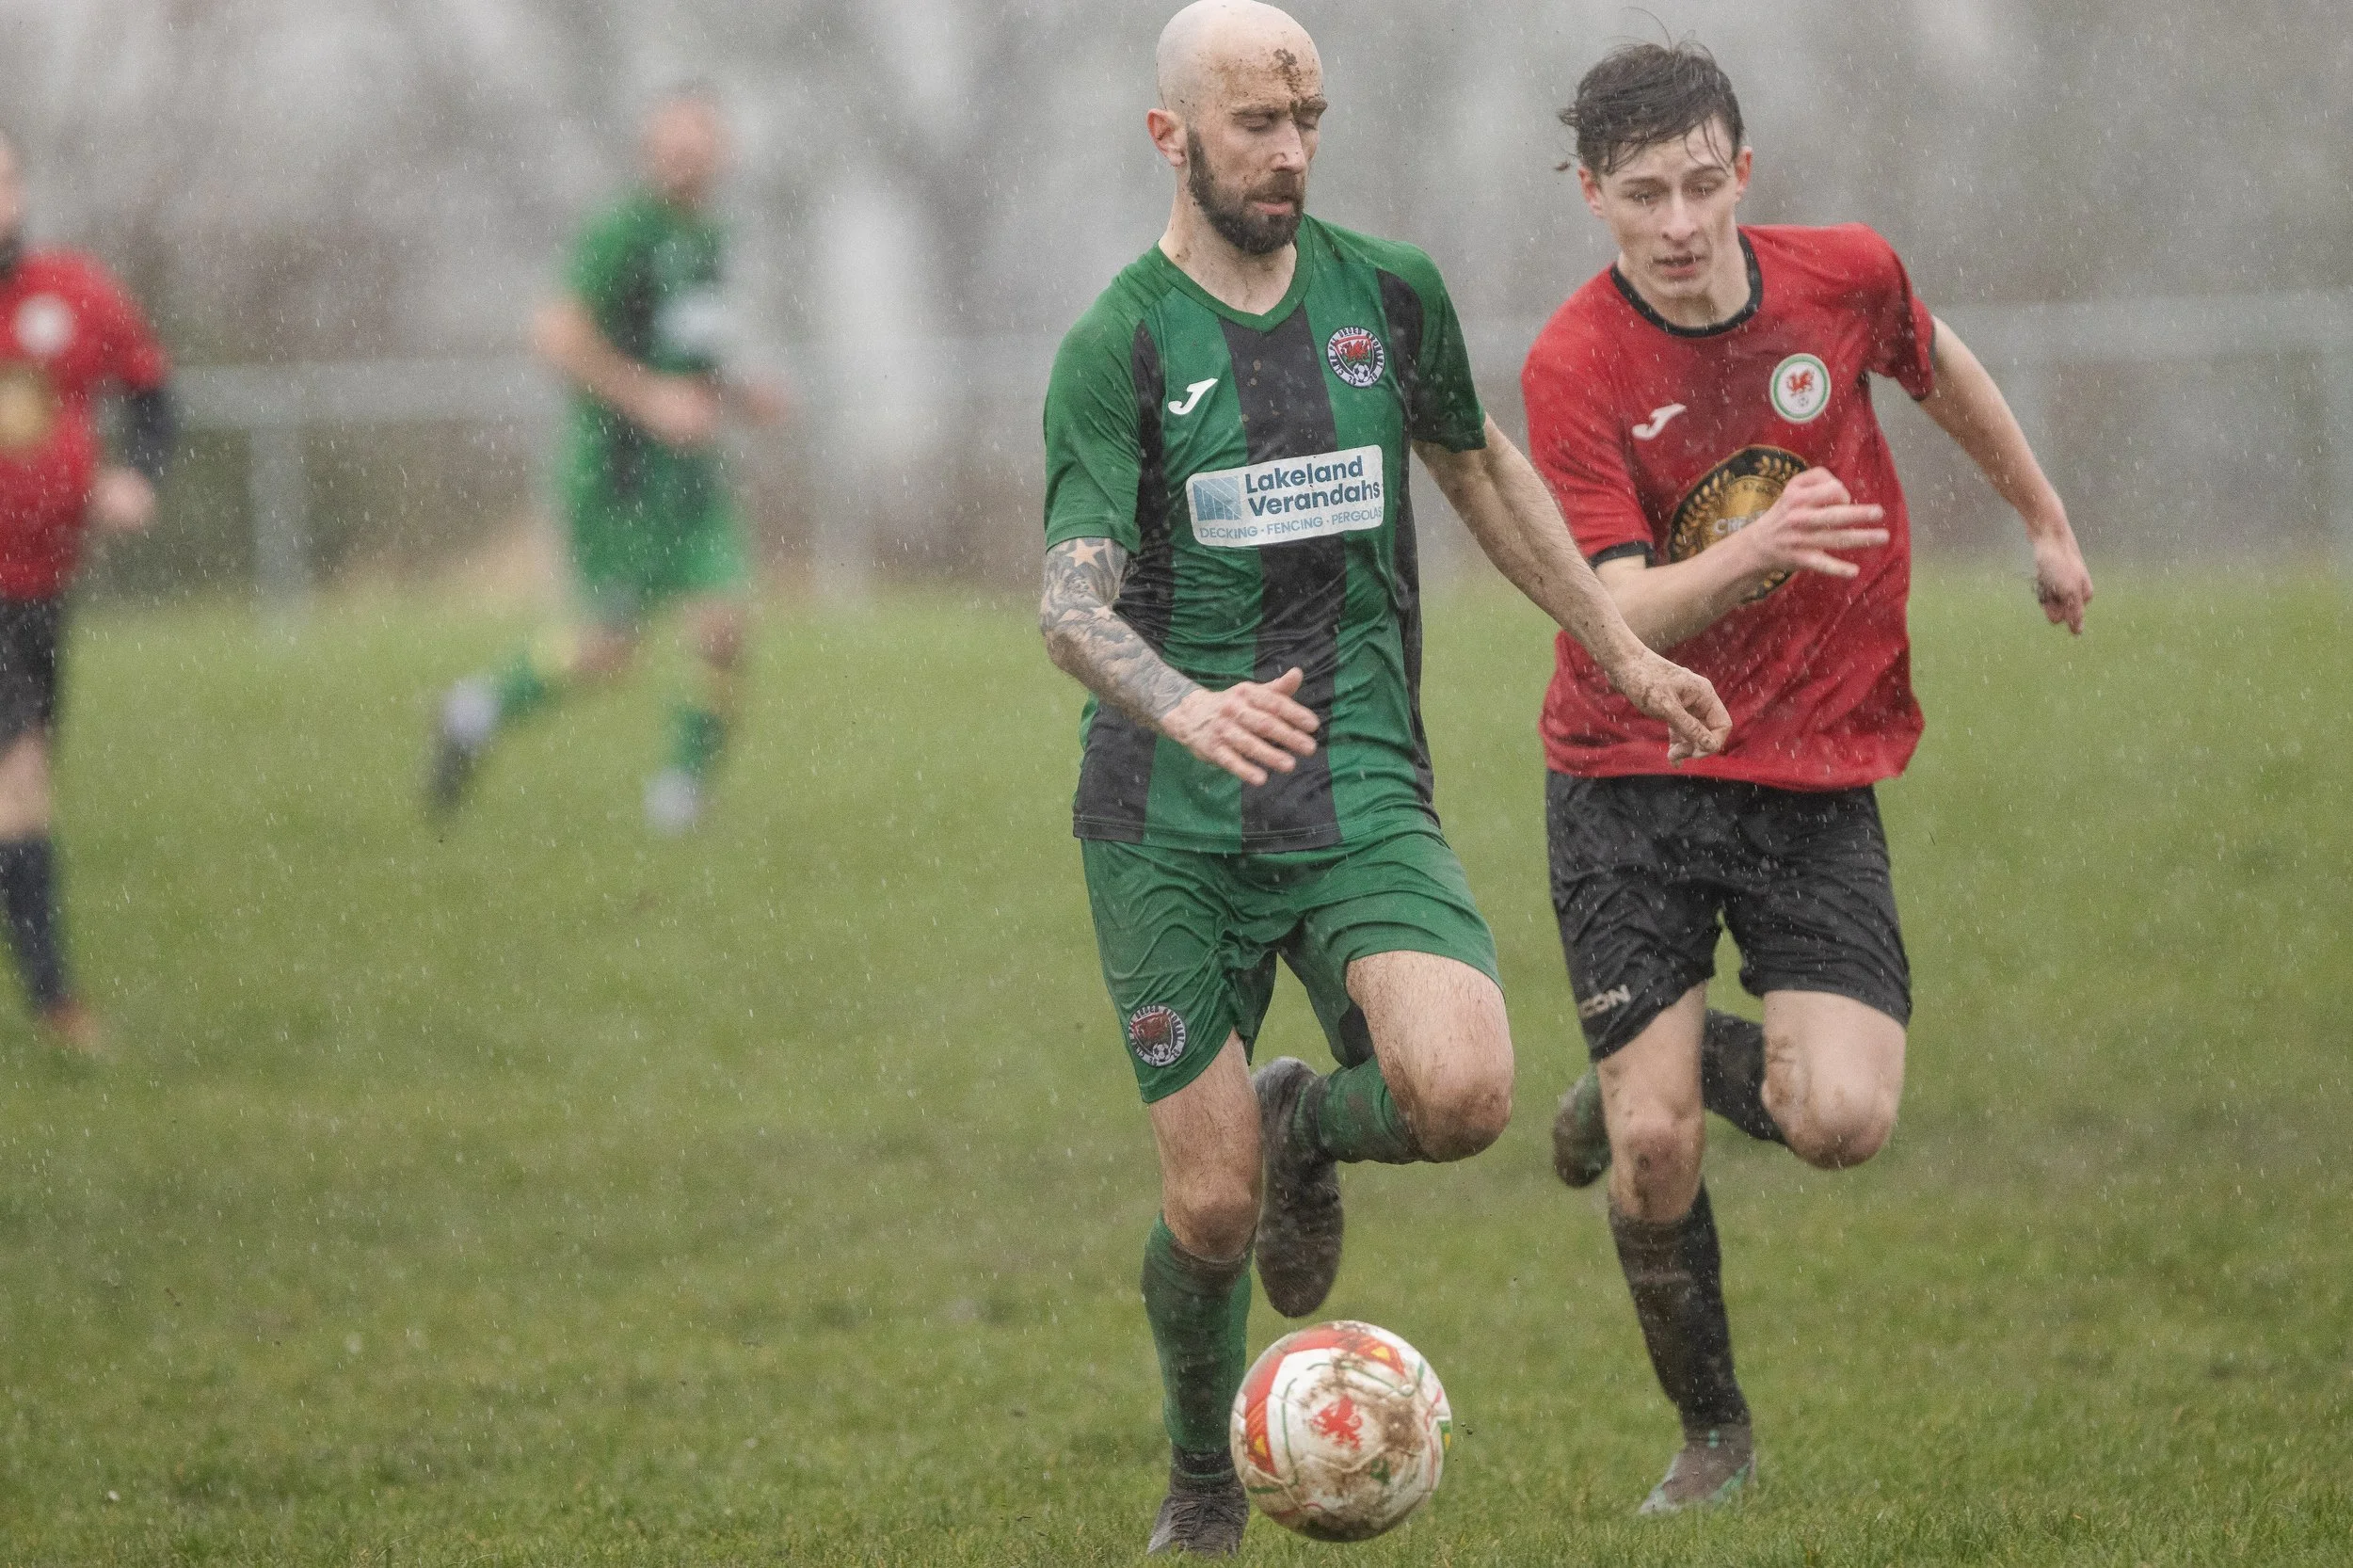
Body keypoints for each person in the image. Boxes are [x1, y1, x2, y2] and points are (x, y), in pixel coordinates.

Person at [1040, 4, 1731, 1554]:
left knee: (1466, 1091)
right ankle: (1204, 1485)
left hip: (1353, 779)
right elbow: (1068, 605)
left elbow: (1480, 463)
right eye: (1252, 126)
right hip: (1166, 816)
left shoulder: (1385, 293)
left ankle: (1310, 1127)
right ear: (1171, 138)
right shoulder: (1119, 344)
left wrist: (1616, 642)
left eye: (1306, 121)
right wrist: (1186, 705)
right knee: (1211, 1214)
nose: (1287, 153)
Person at [1521, 40, 2094, 1513]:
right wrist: (1754, 553)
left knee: (1843, 1118)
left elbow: (1939, 366)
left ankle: (1640, 1058)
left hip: (1819, 764)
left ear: (1744, 172)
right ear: (1591, 197)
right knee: (1654, 1146)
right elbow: (1615, 610)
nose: (1680, 221)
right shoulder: (1574, 364)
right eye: (1644, 194)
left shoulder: (1843, 276)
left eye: (1704, 184)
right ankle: (1713, 1435)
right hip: (1631, 770)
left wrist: (2042, 516)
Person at [428, 86, 781, 834]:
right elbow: (553, 333)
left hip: (687, 480)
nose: (686, 154)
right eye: (672, 139)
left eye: (700, 139)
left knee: (724, 625)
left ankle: (680, 796)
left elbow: (689, 356)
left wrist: (742, 395)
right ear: (651, 147)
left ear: (721, 150)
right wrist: (649, 398)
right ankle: (477, 708)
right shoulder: (623, 232)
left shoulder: (711, 240)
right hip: (618, 477)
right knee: (607, 649)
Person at [0, 131, 176, 1055]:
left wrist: (139, 475)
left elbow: (152, 388)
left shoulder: (70, 293)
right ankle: (57, 1002)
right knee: (19, 780)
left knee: (25, 788)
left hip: (45, 585)